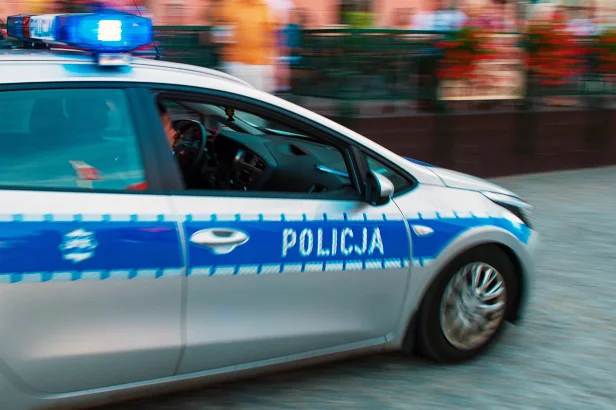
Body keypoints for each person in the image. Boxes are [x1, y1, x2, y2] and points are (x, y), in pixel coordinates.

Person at [216, 0, 277, 94]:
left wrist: (271, 61)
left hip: (259, 64)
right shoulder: (228, 4)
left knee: (260, 98)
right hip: (236, 64)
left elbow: (270, 35)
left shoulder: (262, 6)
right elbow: (220, 35)